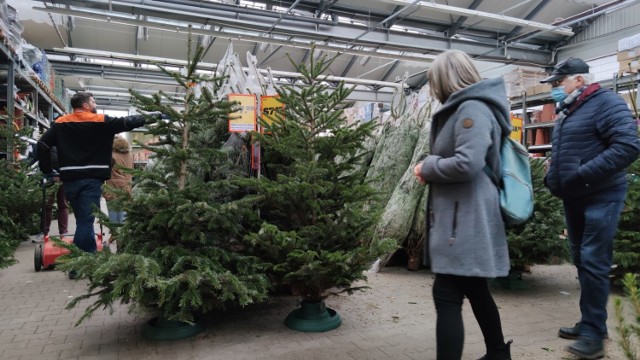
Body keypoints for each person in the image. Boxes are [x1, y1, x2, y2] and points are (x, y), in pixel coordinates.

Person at [413, 50, 512, 360]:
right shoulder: (468, 107)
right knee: (475, 289)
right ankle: (498, 353)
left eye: (433, 82)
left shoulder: (472, 108)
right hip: (464, 214)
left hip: (465, 218)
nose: (432, 88)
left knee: (446, 294)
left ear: (445, 79)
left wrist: (427, 167)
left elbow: (468, 163)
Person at [540, 57, 640, 359]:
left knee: (595, 261)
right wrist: (552, 176)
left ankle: (594, 336)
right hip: (575, 197)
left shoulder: (606, 103)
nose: (555, 89)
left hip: (602, 195)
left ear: (578, 80)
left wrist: (582, 173)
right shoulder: (570, 109)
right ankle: (590, 323)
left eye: (559, 83)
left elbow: (627, 146)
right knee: (583, 261)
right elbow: (565, 153)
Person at [37, 92, 146, 272]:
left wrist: (47, 170)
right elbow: (128, 122)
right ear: (86, 105)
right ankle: (77, 265)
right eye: (93, 101)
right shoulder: (100, 120)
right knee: (86, 222)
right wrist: (152, 117)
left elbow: (42, 145)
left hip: (70, 180)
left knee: (82, 221)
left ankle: (90, 257)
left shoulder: (61, 123)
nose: (95, 105)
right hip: (91, 180)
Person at [25, 144, 69, 239]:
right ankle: (51, 232)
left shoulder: (47, 141)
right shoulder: (47, 142)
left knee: (58, 205)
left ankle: (58, 232)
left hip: (59, 177)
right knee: (51, 205)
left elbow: (33, 157)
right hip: (53, 177)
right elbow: (34, 156)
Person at [103, 135, 134, 250]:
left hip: (113, 188)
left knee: (114, 216)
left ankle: (119, 241)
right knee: (124, 215)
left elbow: (105, 172)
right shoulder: (130, 154)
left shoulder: (111, 155)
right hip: (127, 187)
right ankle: (121, 238)